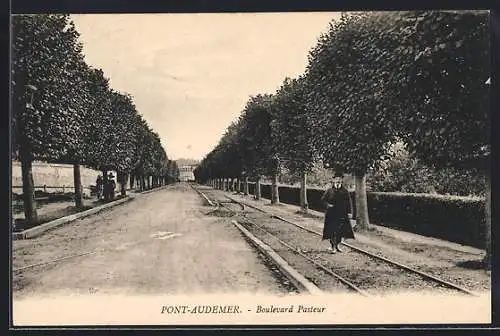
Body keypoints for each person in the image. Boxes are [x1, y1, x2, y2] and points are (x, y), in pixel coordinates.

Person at [321, 172, 355, 253]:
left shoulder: (345, 191)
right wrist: (327, 205)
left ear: (341, 181)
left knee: (340, 230)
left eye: (339, 179)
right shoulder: (329, 190)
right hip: (331, 214)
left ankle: (338, 245)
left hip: (342, 214)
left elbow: (349, 203)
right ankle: (333, 247)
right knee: (332, 230)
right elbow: (323, 200)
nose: (338, 181)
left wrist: (350, 213)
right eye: (336, 179)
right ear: (333, 181)